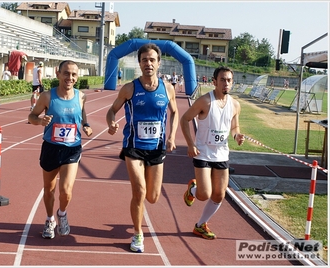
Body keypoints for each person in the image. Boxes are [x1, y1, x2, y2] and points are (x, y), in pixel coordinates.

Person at [106, 43, 178, 253]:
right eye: (144, 59)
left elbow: (174, 112)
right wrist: (111, 123)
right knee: (139, 191)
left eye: (152, 59)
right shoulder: (130, 88)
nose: (148, 63)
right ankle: (138, 234)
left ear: (159, 63)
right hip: (133, 147)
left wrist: (172, 136)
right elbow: (112, 110)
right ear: (139, 63)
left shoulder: (168, 88)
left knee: (153, 197)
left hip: (157, 148)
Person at [28, 60, 93, 239]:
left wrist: (86, 125)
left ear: (77, 77)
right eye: (66, 73)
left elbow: (82, 113)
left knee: (66, 190)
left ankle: (62, 213)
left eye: (73, 74)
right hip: (51, 147)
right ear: (58, 74)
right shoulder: (47, 97)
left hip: (72, 149)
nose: (70, 78)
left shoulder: (81, 96)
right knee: (49, 189)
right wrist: (39, 121)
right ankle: (50, 219)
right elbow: (32, 116)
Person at [180, 66, 245, 240]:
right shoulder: (205, 102)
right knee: (204, 194)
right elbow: (184, 119)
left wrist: (237, 136)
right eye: (223, 80)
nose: (226, 83)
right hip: (203, 153)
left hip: (222, 154)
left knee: (219, 194)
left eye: (229, 80)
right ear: (214, 82)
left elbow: (234, 126)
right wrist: (190, 144)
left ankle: (200, 225)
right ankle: (193, 190)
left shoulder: (235, 105)